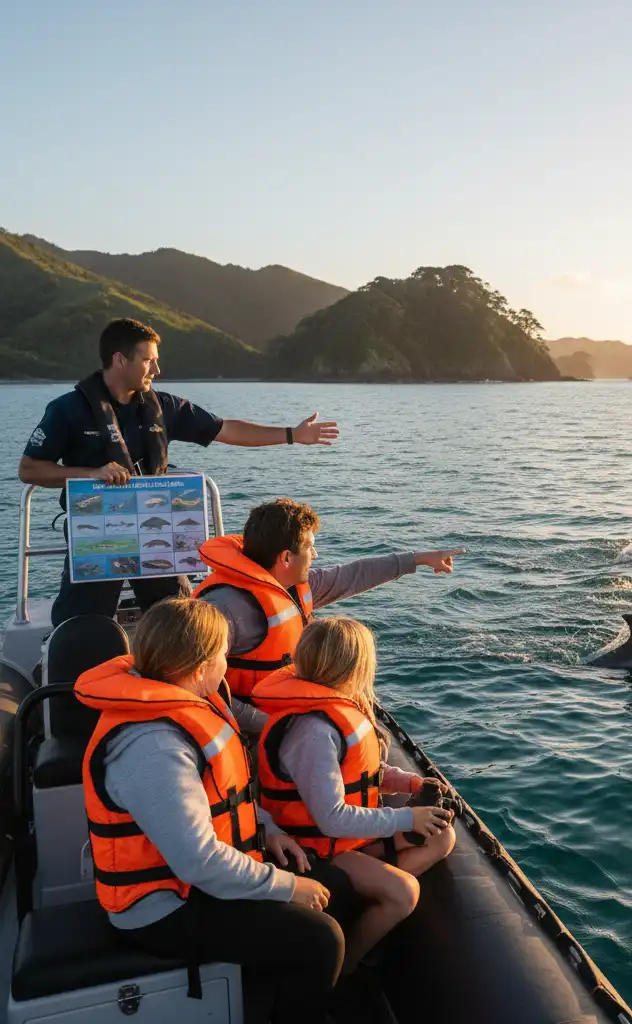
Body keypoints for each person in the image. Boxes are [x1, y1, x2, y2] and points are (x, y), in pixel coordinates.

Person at [74, 598, 356, 1024]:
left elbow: (220, 798)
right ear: (201, 666)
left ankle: (287, 994)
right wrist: (286, 886)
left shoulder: (184, 705)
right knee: (321, 939)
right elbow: (198, 861)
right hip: (162, 909)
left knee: (336, 886)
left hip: (197, 881)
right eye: (224, 653)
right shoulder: (154, 746)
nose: (228, 663)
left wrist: (267, 828)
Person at [18, 318, 340, 626]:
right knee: (83, 623)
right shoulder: (68, 410)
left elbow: (226, 429)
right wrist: (90, 474)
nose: (157, 370)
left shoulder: (165, 407)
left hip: (157, 528)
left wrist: (292, 435)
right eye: (149, 360)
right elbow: (29, 469)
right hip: (96, 532)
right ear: (120, 360)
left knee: (178, 616)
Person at [252, 618, 455, 973]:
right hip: (312, 846)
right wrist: (407, 818)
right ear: (353, 669)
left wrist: (407, 783)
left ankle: (361, 901)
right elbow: (331, 818)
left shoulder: (338, 713)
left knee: (442, 836)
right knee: (403, 892)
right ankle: (344, 970)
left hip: (344, 839)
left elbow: (360, 774)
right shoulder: (313, 731)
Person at [193, 498, 464, 731]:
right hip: (252, 726)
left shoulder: (292, 586)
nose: (315, 554)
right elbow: (195, 683)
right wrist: (269, 725)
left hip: (285, 706)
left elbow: (352, 575)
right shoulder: (224, 609)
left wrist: (419, 559)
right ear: (286, 558)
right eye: (309, 547)